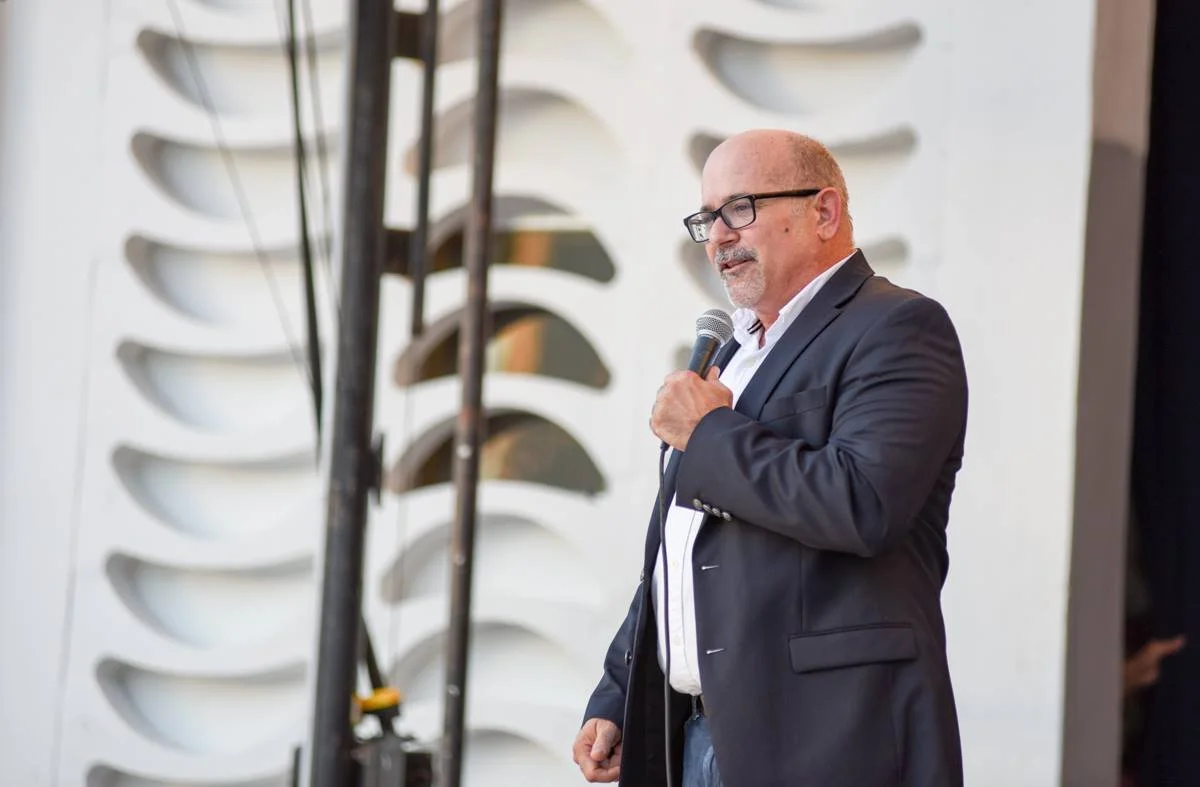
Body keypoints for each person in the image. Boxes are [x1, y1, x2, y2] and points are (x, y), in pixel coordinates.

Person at [571, 129, 969, 787]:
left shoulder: (895, 327)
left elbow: (865, 503)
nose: (717, 236)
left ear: (824, 212)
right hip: (697, 735)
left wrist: (708, 437)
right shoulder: (734, 353)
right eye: (706, 218)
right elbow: (686, 548)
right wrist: (620, 686)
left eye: (740, 209)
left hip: (825, 739)